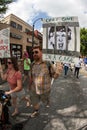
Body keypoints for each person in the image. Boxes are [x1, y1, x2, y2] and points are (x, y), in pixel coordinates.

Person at [29, 46, 62, 118]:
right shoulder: (32, 64)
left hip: (45, 90)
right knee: (35, 102)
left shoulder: (47, 63)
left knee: (45, 99)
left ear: (41, 53)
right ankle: (36, 111)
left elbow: (54, 76)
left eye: (36, 52)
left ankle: (47, 99)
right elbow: (31, 77)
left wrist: (58, 71)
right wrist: (29, 87)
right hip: (34, 89)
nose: (34, 54)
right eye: (33, 52)